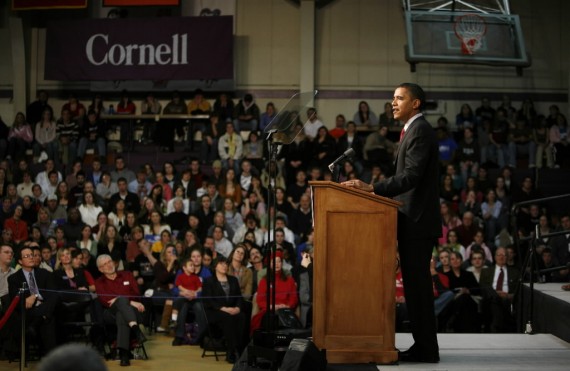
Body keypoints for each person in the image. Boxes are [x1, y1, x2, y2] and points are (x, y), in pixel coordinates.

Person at [342, 83, 440, 363]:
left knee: (418, 289)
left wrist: (372, 188)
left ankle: (426, 349)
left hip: (418, 222)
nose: (393, 103)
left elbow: (410, 177)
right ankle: (424, 347)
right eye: (393, 98)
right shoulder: (411, 129)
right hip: (413, 220)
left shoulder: (420, 131)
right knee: (414, 288)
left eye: (399, 98)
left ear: (416, 103)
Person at [94, 254, 147, 367]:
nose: (108, 265)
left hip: (132, 312)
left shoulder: (127, 275)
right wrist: (130, 301)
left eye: (109, 262)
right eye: (105, 264)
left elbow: (136, 293)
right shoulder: (99, 282)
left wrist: (119, 299)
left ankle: (124, 354)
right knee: (121, 304)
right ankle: (136, 329)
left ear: (114, 262)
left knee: (121, 314)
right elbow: (105, 301)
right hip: (110, 313)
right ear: (100, 269)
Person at [8, 246, 59, 354]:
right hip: (28, 311)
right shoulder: (13, 278)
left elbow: (52, 293)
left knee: (54, 299)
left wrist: (35, 295)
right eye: (27, 256)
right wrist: (29, 300)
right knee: (48, 317)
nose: (31, 258)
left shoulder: (45, 273)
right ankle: (53, 358)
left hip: (44, 307)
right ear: (20, 261)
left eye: (32, 255)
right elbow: (16, 300)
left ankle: (37, 323)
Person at [202, 257, 245, 363]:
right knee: (228, 318)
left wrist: (238, 308)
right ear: (215, 266)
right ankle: (231, 351)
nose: (224, 266)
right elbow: (208, 301)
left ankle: (240, 349)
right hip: (215, 311)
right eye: (221, 264)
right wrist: (223, 308)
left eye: (226, 264)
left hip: (232, 310)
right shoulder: (209, 281)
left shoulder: (233, 280)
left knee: (242, 316)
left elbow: (239, 297)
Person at [479, 246, 521, 333]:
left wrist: (509, 295)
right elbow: (483, 287)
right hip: (489, 300)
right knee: (493, 297)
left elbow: (518, 290)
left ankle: (495, 327)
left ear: (507, 257)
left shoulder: (515, 272)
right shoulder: (486, 271)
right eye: (499, 255)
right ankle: (497, 326)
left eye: (504, 255)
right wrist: (496, 294)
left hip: (507, 299)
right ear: (495, 257)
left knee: (500, 301)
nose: (501, 257)